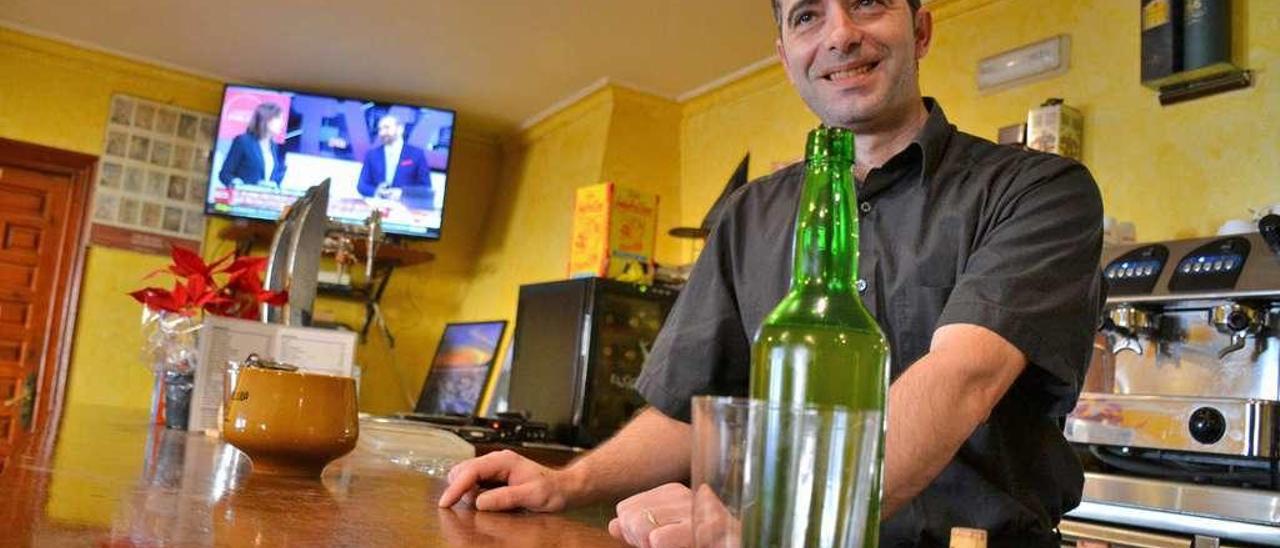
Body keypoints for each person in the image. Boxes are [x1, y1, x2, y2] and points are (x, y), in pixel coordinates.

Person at [439, 0, 1103, 546]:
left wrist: (775, 527)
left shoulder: (1038, 189)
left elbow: (963, 375)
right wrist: (565, 483)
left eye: (868, 3)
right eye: (808, 16)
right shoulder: (750, 213)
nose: (841, 33)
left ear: (920, 28)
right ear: (787, 58)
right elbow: (685, 410)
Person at [356, 115, 435, 210]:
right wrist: (376, 191)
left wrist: (402, 192)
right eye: (380, 129)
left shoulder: (416, 154)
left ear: (400, 129)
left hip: (406, 209)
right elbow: (361, 185)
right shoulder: (372, 154)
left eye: (386, 128)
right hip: (377, 208)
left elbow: (426, 189)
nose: (382, 133)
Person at [218, 102, 287, 187]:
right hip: (243, 197)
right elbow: (225, 174)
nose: (282, 123)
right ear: (267, 119)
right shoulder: (243, 141)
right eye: (279, 118)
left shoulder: (273, 146)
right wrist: (236, 183)